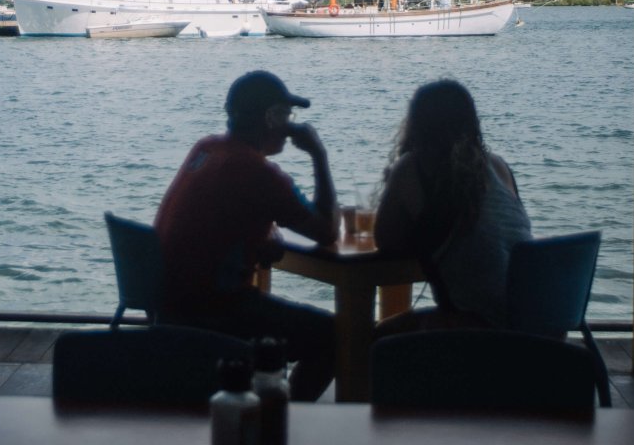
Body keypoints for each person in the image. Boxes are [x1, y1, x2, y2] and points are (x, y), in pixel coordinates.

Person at [155, 70, 338, 401]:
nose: (291, 124)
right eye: (286, 115)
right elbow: (327, 232)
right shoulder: (261, 173)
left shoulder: (206, 149)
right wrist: (318, 155)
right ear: (270, 118)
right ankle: (281, 417)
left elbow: (221, 213)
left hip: (167, 306)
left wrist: (261, 233)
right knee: (335, 335)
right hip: (214, 310)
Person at [373, 79, 531, 334]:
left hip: (480, 329)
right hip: (534, 325)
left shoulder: (413, 167)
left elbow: (385, 240)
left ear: (417, 123)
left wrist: (395, 190)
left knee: (374, 338)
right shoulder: (499, 166)